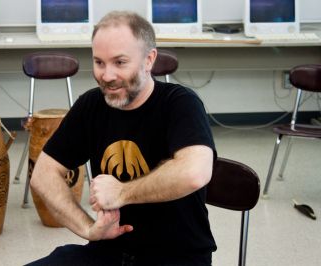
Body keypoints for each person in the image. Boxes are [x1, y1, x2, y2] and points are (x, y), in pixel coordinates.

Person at [27, 10, 217, 266]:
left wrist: (122, 192)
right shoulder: (91, 105)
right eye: (99, 62)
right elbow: (43, 174)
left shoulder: (180, 103)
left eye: (119, 62)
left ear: (149, 60)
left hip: (176, 257)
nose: (106, 76)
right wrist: (88, 229)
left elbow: (195, 172)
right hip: (106, 253)